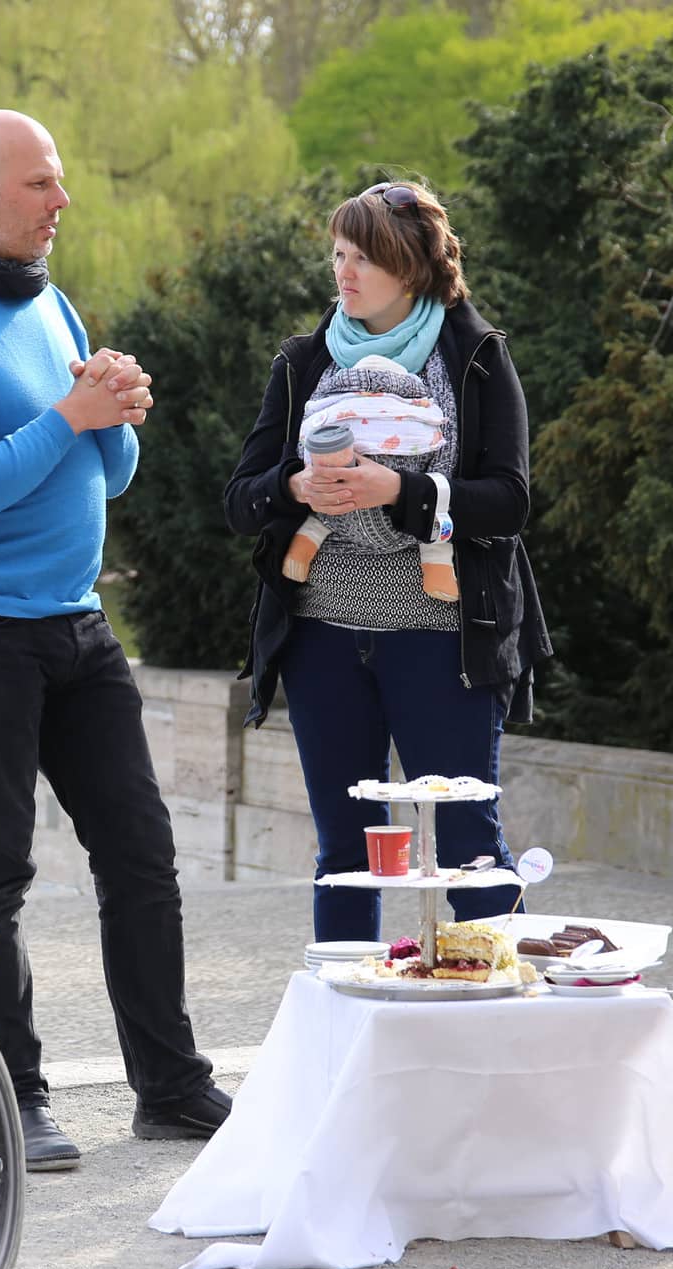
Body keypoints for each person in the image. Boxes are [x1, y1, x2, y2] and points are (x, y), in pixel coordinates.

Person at [0, 109, 229, 1170]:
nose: (60, 202)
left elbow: (105, 477)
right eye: (39, 185)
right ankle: (7, 1100)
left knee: (143, 856)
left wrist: (113, 414)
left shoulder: (49, 302)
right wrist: (73, 415)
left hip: (73, 623)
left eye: (59, 183)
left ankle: (169, 1088)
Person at [224, 179, 553, 941]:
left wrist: (400, 490)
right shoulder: (303, 360)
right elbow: (240, 497)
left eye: (363, 257)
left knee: (471, 847)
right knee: (345, 854)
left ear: (408, 268)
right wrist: (295, 484)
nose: (343, 272)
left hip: (443, 640)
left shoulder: (475, 356)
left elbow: (509, 501)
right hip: (320, 641)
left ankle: (499, 1019)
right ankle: (350, 1034)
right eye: (338, 254)